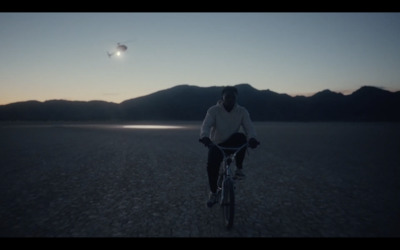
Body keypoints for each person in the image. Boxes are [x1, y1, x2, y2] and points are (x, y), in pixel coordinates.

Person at [199, 86, 260, 207]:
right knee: (212, 168)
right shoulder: (214, 110)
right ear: (222, 97)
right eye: (227, 97)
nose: (230, 99)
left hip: (232, 142)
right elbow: (206, 126)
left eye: (233, 97)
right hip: (216, 144)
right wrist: (205, 137)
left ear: (236, 98)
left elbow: (249, 127)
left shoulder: (242, 111)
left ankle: (239, 169)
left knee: (242, 138)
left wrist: (252, 139)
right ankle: (213, 192)